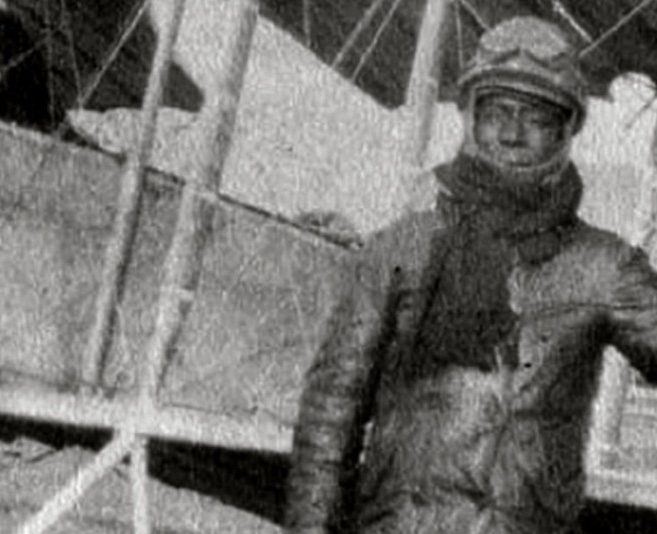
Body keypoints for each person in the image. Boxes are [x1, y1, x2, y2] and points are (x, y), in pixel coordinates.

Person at [285, 16, 657, 534]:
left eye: (535, 117)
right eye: (497, 112)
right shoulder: (402, 249)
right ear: (471, 117)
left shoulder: (605, 268)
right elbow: (330, 419)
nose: (511, 134)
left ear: (566, 130)